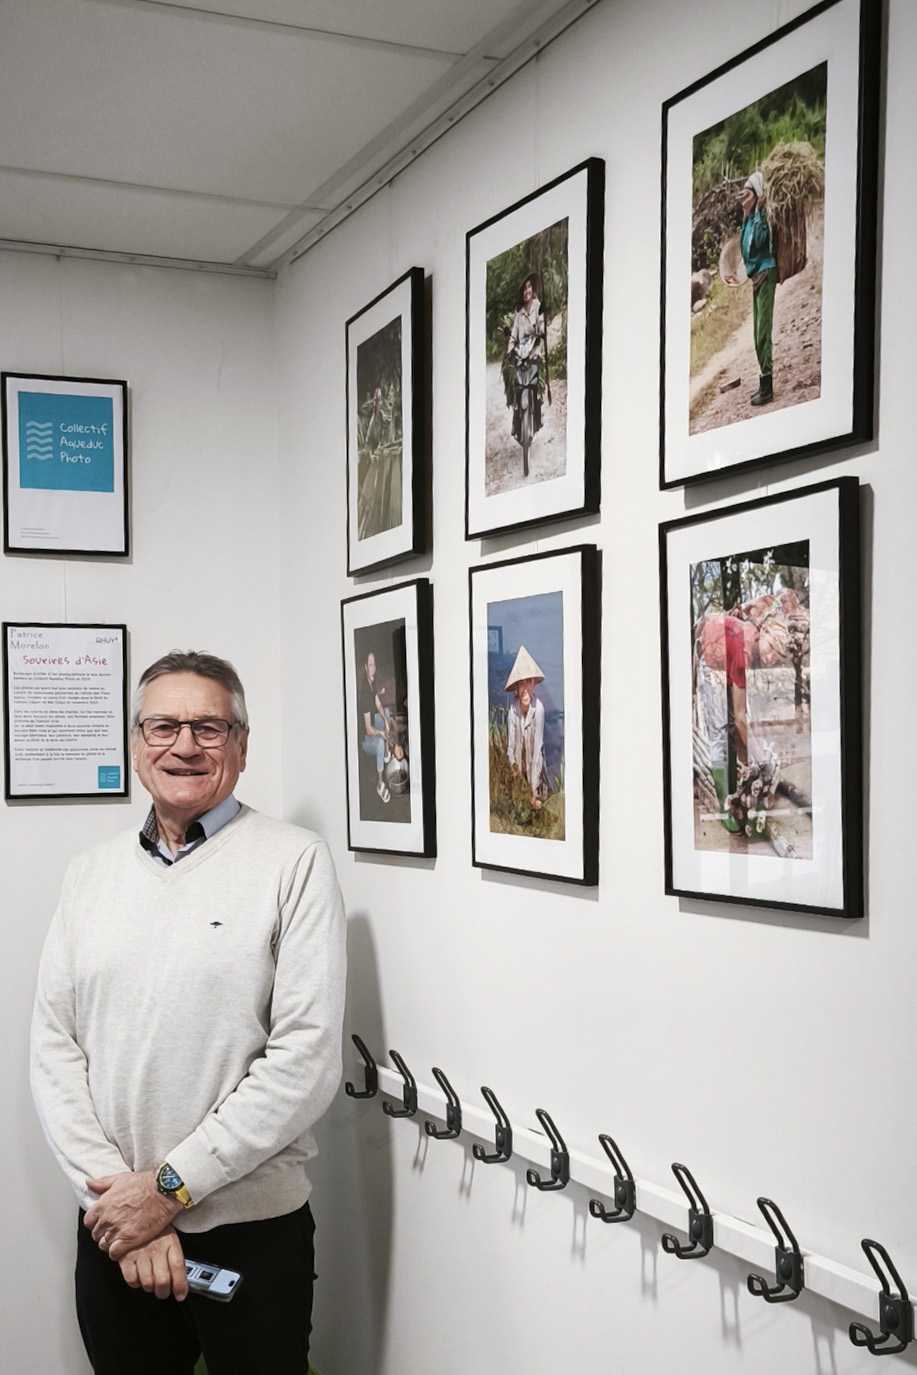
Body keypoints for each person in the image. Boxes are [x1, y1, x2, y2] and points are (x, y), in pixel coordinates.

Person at [30, 650, 346, 1375]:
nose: (185, 745)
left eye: (209, 726)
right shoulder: (90, 874)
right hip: (113, 1228)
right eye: (163, 725)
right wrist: (120, 1205)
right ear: (137, 743)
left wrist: (168, 1189)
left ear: (240, 744)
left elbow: (305, 1059)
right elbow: (55, 1048)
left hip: (249, 1230)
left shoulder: (294, 862)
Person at [735, 170, 778, 407]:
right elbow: (745, 250)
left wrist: (759, 210)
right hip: (756, 278)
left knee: (763, 332)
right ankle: (764, 382)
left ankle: (767, 388)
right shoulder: (749, 219)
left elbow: (759, 243)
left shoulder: (762, 218)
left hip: (767, 274)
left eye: (747, 192)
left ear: (757, 195)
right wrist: (746, 213)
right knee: (755, 334)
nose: (742, 196)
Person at [505, 273, 546, 449]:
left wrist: (537, 349)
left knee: (536, 384)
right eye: (524, 289)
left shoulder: (538, 307)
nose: (526, 291)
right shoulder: (519, 313)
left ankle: (536, 416)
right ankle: (517, 421)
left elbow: (542, 331)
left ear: (533, 289)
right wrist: (510, 352)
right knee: (515, 385)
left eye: (529, 287)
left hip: (534, 350)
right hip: (521, 354)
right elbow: (513, 336)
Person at [504, 645, 546, 810]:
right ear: (516, 688)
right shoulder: (512, 712)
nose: (525, 689)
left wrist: (532, 790)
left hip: (536, 772)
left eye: (529, 682)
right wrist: (516, 773)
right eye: (521, 684)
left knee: (536, 805)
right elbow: (511, 747)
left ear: (534, 684)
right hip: (519, 773)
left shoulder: (539, 709)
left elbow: (537, 751)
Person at [358, 649, 392, 805]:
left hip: (373, 727)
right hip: (365, 739)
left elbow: (378, 704)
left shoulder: (371, 682)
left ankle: (386, 752)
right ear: (365, 667)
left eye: (374, 663)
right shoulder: (364, 692)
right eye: (370, 664)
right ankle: (380, 783)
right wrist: (381, 733)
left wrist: (385, 720)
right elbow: (369, 729)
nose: (373, 667)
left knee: (386, 712)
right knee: (379, 742)